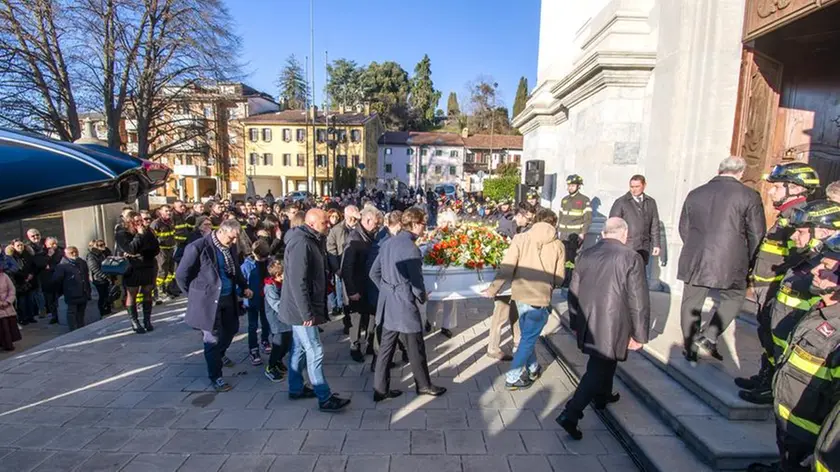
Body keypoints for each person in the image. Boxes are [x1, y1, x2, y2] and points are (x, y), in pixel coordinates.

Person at [746, 234, 840, 472]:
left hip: (810, 437)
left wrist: (820, 447)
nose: (816, 269)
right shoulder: (821, 309)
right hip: (790, 423)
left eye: (826, 267)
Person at [556, 217, 650, 440]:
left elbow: (573, 292)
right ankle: (571, 412)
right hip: (614, 321)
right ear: (624, 234)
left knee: (604, 360)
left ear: (604, 233)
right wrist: (640, 334)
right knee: (599, 366)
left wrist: (576, 322)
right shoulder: (631, 257)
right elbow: (638, 300)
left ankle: (602, 395)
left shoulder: (586, 254)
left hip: (589, 319)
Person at [739, 200, 840, 405]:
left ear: (821, 232)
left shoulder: (827, 269)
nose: (794, 237)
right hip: (781, 327)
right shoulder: (808, 258)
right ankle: (768, 381)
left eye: (801, 232)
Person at [734, 163, 818, 403]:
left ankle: (772, 387)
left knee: (776, 338)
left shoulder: (799, 219)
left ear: (794, 189)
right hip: (766, 288)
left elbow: (798, 262)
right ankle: (765, 376)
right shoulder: (787, 215)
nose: (771, 192)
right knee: (767, 335)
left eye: (777, 187)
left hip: (777, 290)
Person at [678, 156, 766, 362]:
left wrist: (695, 247)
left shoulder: (695, 193)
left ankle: (690, 346)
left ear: (720, 170)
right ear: (741, 173)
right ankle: (709, 335)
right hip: (731, 259)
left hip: (695, 257)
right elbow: (757, 233)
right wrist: (752, 260)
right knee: (734, 297)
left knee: (691, 302)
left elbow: (684, 228)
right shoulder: (749, 195)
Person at [370, 207, 446, 402]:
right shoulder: (411, 248)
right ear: (413, 224)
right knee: (415, 346)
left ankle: (380, 389)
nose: (424, 227)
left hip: (388, 303)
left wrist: (387, 289)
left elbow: (374, 273)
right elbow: (416, 281)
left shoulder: (387, 243)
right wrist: (422, 297)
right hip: (403, 304)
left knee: (386, 348)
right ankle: (424, 385)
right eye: (422, 224)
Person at [279, 209, 351, 411]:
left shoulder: (312, 238)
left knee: (300, 348)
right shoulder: (302, 243)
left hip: (301, 307)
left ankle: (296, 389)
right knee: (315, 350)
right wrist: (306, 314)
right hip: (300, 309)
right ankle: (324, 397)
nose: (328, 224)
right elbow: (296, 281)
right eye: (324, 222)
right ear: (311, 223)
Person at [484, 209, 566, 386]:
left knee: (527, 337)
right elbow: (559, 278)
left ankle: (533, 368)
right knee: (528, 338)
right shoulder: (558, 245)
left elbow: (507, 267)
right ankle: (512, 378)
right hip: (541, 296)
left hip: (520, 294)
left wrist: (493, 288)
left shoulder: (521, 238)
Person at [176, 219, 253, 392]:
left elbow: (236, 269)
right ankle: (216, 376)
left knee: (232, 328)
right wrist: (194, 295)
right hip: (208, 301)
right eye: (231, 238)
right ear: (222, 231)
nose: (234, 242)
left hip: (228, 296)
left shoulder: (230, 247)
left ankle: (219, 354)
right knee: (212, 338)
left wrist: (244, 286)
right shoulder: (198, 247)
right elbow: (181, 275)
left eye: (235, 239)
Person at [485, 203, 535, 361]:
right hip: (507, 280)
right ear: (520, 215)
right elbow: (507, 263)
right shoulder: (508, 225)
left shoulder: (526, 229)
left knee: (516, 314)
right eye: (527, 218)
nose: (529, 221)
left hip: (518, 280)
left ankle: (517, 342)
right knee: (500, 314)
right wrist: (494, 287)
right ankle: (493, 348)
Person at [342, 205, 382, 362]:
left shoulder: (368, 235)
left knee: (371, 315)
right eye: (376, 223)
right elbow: (346, 267)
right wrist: (351, 291)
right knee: (357, 319)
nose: (377, 226)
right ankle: (355, 346)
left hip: (368, 285)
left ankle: (371, 344)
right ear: (367, 220)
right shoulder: (354, 238)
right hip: (357, 287)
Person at [115, 210, 161, 334]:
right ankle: (135, 322)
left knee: (147, 291)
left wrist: (141, 250)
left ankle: (147, 320)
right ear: (129, 222)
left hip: (147, 264)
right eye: (136, 221)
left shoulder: (148, 232)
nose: (140, 224)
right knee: (132, 294)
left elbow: (155, 249)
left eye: (141, 221)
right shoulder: (122, 234)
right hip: (133, 267)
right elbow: (131, 249)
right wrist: (139, 236)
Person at [608, 175, 662, 266]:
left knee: (639, 273)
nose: (634, 189)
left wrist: (656, 244)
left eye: (637, 186)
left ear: (644, 185)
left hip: (644, 246)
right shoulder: (621, 202)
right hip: (627, 246)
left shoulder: (650, 202)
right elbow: (613, 224)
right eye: (632, 187)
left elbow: (654, 224)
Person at [328, 205, 360, 333]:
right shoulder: (336, 230)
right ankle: (348, 322)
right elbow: (331, 249)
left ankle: (359, 321)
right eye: (350, 217)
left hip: (358, 267)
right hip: (343, 268)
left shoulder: (360, 228)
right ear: (346, 216)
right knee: (346, 297)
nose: (353, 220)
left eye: (354, 217)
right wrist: (336, 268)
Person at [557, 174, 592, 285]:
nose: (570, 188)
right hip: (563, 235)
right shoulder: (564, 200)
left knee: (574, 259)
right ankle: (564, 279)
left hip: (575, 235)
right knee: (564, 258)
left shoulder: (584, 200)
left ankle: (574, 280)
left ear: (578, 186)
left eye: (572, 185)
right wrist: (558, 231)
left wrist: (583, 233)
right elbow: (561, 216)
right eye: (569, 185)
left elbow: (587, 219)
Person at [242, 240, 272, 365]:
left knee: (266, 322)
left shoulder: (268, 262)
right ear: (254, 253)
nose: (263, 259)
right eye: (261, 257)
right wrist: (243, 295)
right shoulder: (246, 266)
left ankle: (265, 340)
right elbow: (241, 283)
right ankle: (253, 348)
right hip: (252, 300)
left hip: (265, 299)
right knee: (252, 326)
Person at [263, 260, 292, 382]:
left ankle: (279, 360)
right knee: (278, 343)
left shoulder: (282, 283)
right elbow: (276, 305)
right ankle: (271, 366)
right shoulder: (269, 287)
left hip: (286, 318)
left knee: (286, 342)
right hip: (276, 320)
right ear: (277, 275)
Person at [52, 246, 91, 331]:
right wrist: (61, 291)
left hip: (83, 291)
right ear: (66, 254)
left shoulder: (81, 262)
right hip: (71, 292)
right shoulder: (62, 266)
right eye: (71, 252)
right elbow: (57, 280)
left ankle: (81, 328)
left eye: (76, 251)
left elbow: (86, 276)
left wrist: (88, 291)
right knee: (72, 312)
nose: (74, 254)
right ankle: (73, 330)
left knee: (81, 312)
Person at [5, 239, 37, 325]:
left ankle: (31, 316)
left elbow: (32, 266)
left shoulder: (27, 255)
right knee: (22, 301)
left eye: (21, 245)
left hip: (29, 280)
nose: (20, 247)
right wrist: (24, 276)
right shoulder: (11, 257)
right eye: (18, 245)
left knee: (30, 300)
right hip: (19, 281)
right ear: (13, 247)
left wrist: (31, 274)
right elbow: (13, 270)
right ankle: (23, 318)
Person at [151, 204, 177, 302]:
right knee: (161, 271)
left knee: (170, 271)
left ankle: (167, 290)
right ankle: (160, 293)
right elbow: (152, 238)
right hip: (161, 250)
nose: (168, 213)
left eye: (169, 211)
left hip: (170, 248)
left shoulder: (170, 222)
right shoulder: (156, 223)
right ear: (160, 212)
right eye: (166, 211)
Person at [86, 240, 113, 318]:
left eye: (103, 244)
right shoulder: (91, 255)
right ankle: (103, 312)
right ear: (96, 246)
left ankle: (108, 310)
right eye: (100, 245)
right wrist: (105, 276)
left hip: (108, 277)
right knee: (102, 296)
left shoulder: (104, 253)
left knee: (108, 295)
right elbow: (94, 268)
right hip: (99, 279)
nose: (103, 246)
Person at [0, 258, 22, 351]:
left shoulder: (4, 276)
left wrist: (8, 301)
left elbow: (12, 289)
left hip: (7, 305)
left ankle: (9, 344)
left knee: (8, 326)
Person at [42, 237, 63, 324]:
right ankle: (54, 316)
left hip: (58, 279)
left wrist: (50, 267)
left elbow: (60, 264)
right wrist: (49, 256)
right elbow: (42, 264)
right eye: (51, 244)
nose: (53, 246)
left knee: (58, 298)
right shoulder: (43, 253)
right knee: (50, 300)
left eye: (55, 243)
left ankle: (60, 315)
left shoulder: (61, 252)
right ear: (46, 245)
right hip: (48, 280)